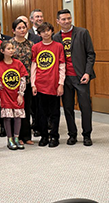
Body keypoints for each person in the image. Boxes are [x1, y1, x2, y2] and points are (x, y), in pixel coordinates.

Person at [53, 9, 96, 146]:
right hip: (64, 78)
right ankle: (72, 134)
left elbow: (91, 54)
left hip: (81, 76)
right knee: (67, 107)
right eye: (63, 19)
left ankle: (87, 134)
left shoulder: (82, 32)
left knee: (85, 107)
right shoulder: (55, 37)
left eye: (69, 18)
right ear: (58, 21)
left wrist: (87, 73)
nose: (67, 21)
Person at [31, 22, 65, 148]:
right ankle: (44, 136)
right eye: (43, 31)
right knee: (41, 113)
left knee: (55, 112)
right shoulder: (35, 47)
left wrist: (61, 83)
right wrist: (33, 84)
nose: (46, 33)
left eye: (48, 30)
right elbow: (33, 66)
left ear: (52, 31)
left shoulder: (58, 46)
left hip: (54, 84)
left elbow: (62, 66)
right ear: (39, 34)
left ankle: (54, 136)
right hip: (40, 84)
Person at [0, 41, 28, 150]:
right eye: (8, 48)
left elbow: (23, 79)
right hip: (4, 94)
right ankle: (9, 138)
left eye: (12, 48)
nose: (11, 50)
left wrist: (21, 94)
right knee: (7, 117)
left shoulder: (18, 64)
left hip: (16, 94)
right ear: (2, 51)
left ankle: (16, 137)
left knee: (18, 116)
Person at [9, 18, 34, 145]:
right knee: (15, 110)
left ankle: (27, 136)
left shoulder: (31, 44)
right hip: (13, 82)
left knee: (27, 109)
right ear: (13, 31)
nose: (22, 30)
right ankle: (15, 136)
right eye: (19, 28)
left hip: (27, 81)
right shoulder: (9, 44)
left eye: (23, 27)